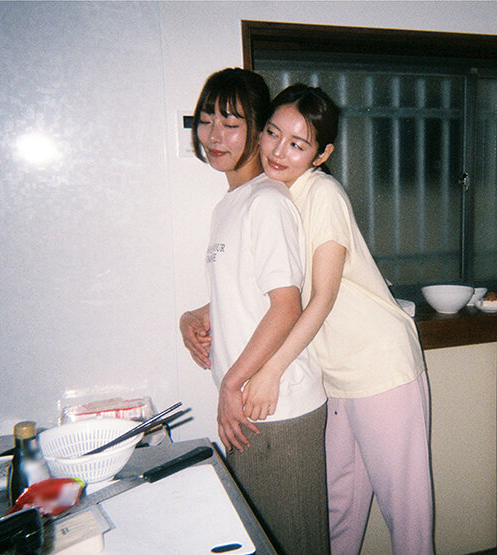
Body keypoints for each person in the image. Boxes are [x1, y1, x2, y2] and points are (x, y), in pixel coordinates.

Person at [244, 84, 435, 554]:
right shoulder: (274, 196)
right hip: (334, 374)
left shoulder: (322, 192)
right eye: (272, 133)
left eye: (297, 144)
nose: (278, 151)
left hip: (379, 365)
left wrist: (271, 370)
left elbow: (322, 298)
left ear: (322, 153)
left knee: (406, 514)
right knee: (337, 510)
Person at [178, 69, 329, 555]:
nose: (214, 136)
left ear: (257, 129)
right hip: (248, 406)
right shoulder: (231, 204)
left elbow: (285, 307)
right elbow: (248, 291)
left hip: (276, 407)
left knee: (290, 544)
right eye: (206, 120)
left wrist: (231, 384)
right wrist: (193, 316)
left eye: (231, 124)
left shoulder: (266, 201)